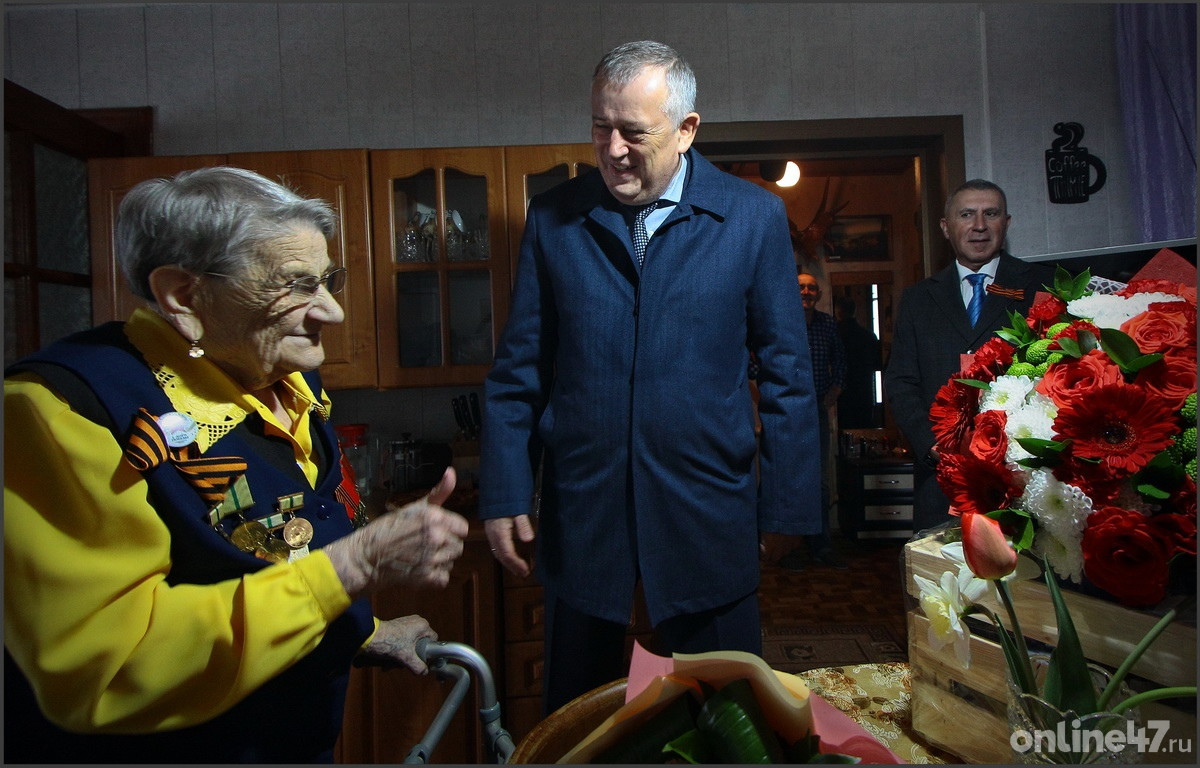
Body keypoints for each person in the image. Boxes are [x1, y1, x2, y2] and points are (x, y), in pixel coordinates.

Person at [3, 167, 470, 763]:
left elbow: (264, 559)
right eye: (295, 286)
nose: (332, 313)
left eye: (328, 280)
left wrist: (361, 632)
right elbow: (106, 667)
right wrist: (353, 565)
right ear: (183, 295)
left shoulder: (284, 375)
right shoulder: (63, 411)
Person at [479, 40, 822, 715]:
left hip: (707, 511)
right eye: (600, 127)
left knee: (727, 720)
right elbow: (519, 370)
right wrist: (504, 492)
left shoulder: (752, 218)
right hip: (586, 513)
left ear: (687, 130)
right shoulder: (554, 218)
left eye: (633, 132)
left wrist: (787, 509)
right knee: (579, 725)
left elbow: (788, 373)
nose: (611, 149)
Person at [884, 178, 1054, 533]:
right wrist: (932, 446)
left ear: (1006, 223)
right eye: (967, 214)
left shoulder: (1041, 286)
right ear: (947, 227)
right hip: (942, 477)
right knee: (942, 583)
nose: (979, 226)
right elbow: (901, 382)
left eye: (990, 214)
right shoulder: (918, 300)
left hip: (1024, 476)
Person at [777, 271, 848, 571]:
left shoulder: (828, 325)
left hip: (817, 412)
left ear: (818, 295)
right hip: (785, 415)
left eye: (811, 288)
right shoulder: (779, 322)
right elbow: (754, 363)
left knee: (819, 482)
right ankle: (789, 548)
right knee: (787, 479)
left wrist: (832, 394)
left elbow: (842, 363)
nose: (806, 292)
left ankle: (821, 547)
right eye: (801, 287)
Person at [834, 295, 882, 429]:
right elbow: (877, 364)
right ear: (855, 311)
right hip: (864, 390)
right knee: (864, 426)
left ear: (838, 312)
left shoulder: (834, 334)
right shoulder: (869, 335)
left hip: (841, 392)